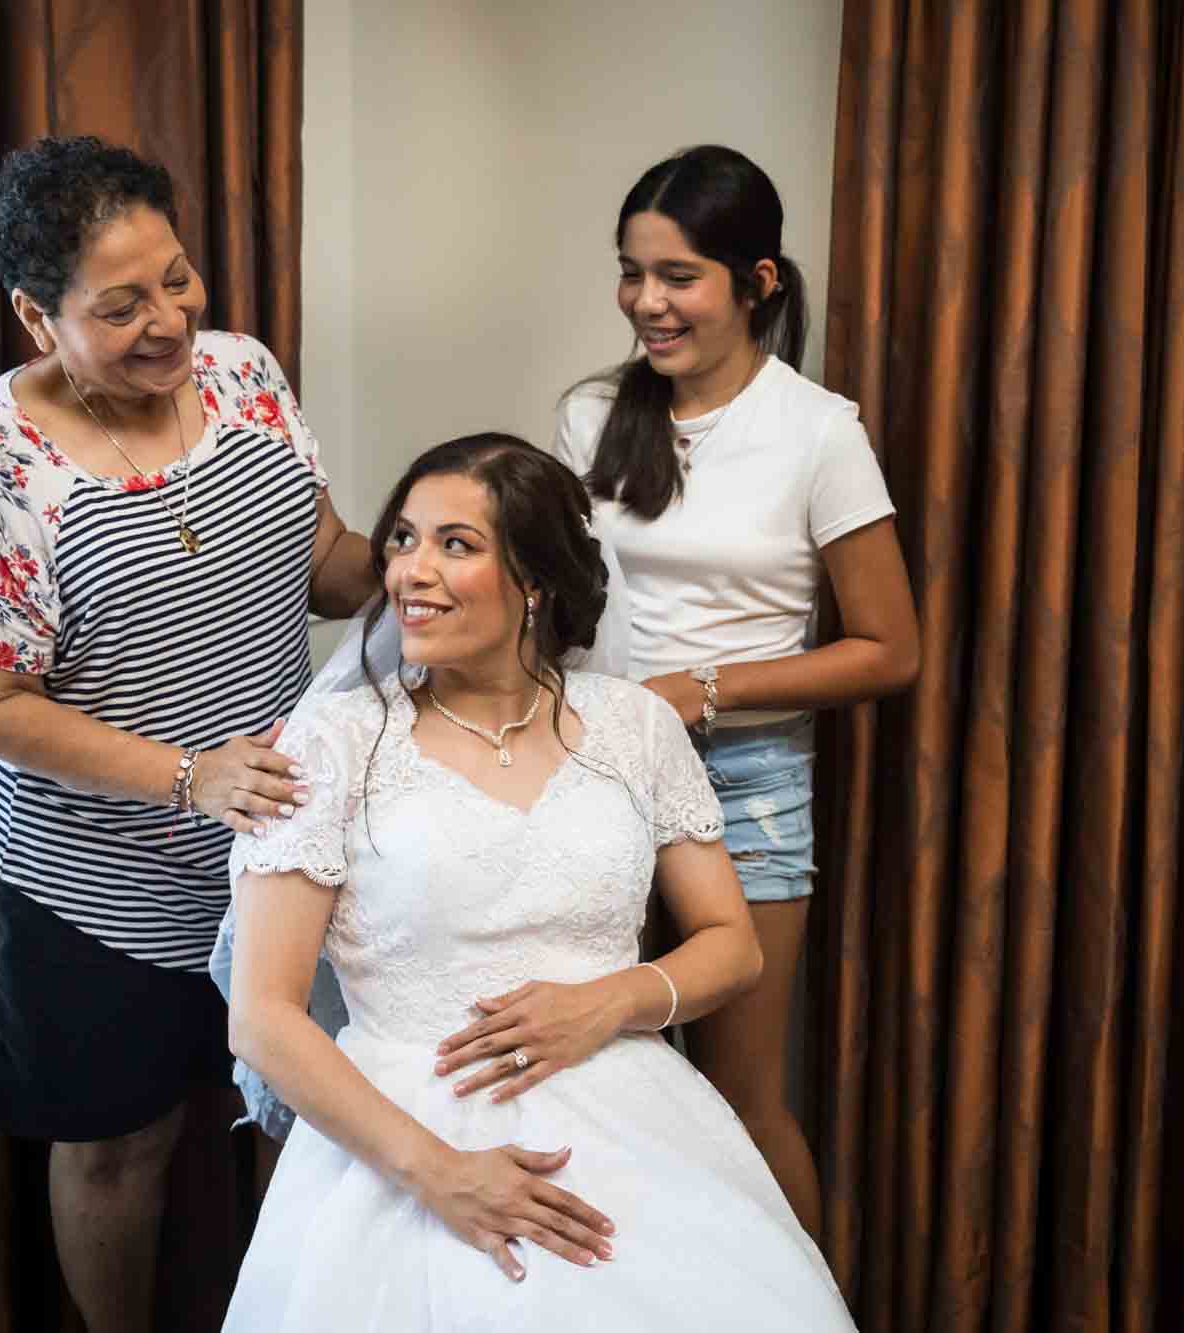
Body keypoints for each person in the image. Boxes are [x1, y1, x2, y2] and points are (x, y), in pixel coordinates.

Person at [221, 435, 858, 1330]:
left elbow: (732, 944)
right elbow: (262, 1016)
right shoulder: (328, 746)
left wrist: (612, 1001)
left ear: (538, 581)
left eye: (456, 544)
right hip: (403, 1130)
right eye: (403, 540)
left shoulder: (633, 726)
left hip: (628, 1112)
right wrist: (439, 1173)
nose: (411, 571)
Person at [0, 135, 374, 1331]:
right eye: (119, 307)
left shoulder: (245, 374)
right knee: (123, 1149)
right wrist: (187, 775)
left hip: (276, 851)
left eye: (175, 279)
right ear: (36, 317)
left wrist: (438, 547)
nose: (169, 321)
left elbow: (325, 568)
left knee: (299, 1113)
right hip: (91, 880)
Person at [552, 144, 919, 1237]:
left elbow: (888, 649)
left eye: (677, 277)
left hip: (748, 779)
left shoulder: (818, 432)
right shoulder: (587, 415)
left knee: (741, 1101)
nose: (646, 303)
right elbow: (553, 597)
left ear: (757, 281)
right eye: (631, 272)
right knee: (599, 1086)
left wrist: (697, 690)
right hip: (592, 765)